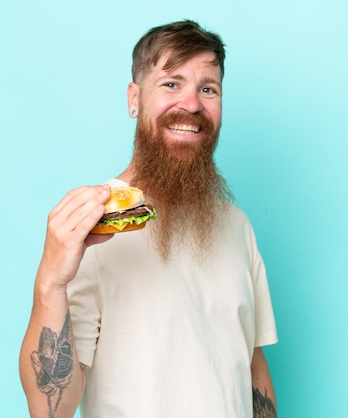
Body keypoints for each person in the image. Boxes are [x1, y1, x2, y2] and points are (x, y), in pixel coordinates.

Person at [19, 20, 278, 418]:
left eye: (208, 88)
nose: (192, 104)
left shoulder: (237, 224)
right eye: (171, 84)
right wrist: (50, 281)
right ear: (134, 98)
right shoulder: (90, 224)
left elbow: (251, 365)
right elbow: (51, 409)